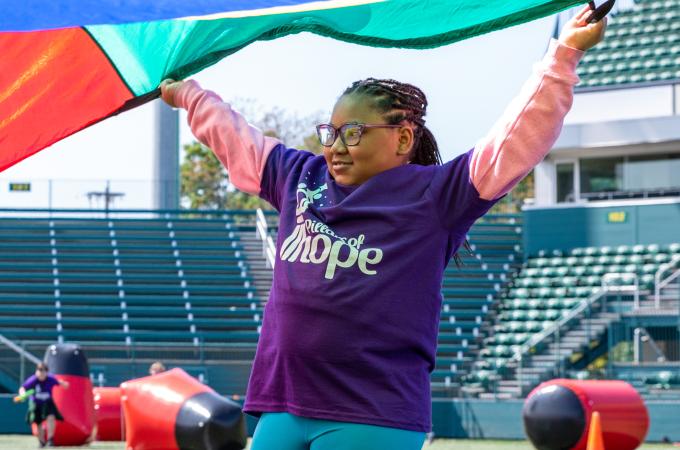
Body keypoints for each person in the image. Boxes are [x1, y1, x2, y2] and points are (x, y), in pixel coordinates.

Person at [160, 6, 606, 449]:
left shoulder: (435, 195)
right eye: (330, 132)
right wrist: (189, 95)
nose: (335, 146)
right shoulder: (300, 178)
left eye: (353, 132)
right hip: (282, 406)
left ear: (403, 139)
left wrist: (563, 55)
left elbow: (515, 140)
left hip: (372, 414)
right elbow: (236, 137)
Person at [19, 362, 69, 448]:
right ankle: (42, 441)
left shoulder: (50, 379)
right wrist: (22, 394)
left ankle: (50, 440)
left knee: (51, 417)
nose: (41, 373)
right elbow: (23, 388)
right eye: (39, 370)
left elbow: (60, 382)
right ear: (36, 371)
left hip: (47, 402)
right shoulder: (33, 380)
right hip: (36, 403)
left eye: (43, 370)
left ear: (47, 372)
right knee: (38, 423)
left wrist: (65, 384)